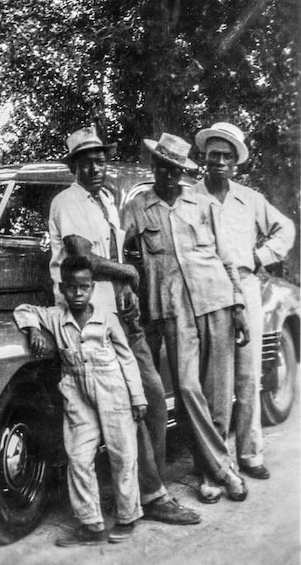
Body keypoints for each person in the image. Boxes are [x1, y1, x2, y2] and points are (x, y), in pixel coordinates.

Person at [49, 125, 200, 524]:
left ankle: (152, 490)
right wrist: (130, 274)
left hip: (118, 315)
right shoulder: (68, 202)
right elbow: (81, 258)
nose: (96, 168)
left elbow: (112, 249)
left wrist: (126, 290)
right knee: (129, 406)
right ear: (75, 167)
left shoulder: (106, 201)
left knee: (150, 392)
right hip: (89, 321)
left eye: (100, 160)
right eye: (87, 162)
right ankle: (151, 496)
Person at [122, 132, 250, 505]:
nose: (166, 174)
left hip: (216, 300)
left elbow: (226, 257)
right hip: (173, 309)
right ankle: (225, 469)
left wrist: (238, 304)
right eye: (161, 166)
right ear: (153, 166)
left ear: (182, 171)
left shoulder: (201, 202)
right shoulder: (138, 206)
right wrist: (126, 283)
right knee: (190, 390)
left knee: (218, 393)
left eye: (174, 168)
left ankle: (208, 474)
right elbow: (115, 245)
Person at [14, 255, 146, 546]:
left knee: (123, 454)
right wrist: (34, 329)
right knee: (78, 458)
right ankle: (92, 526)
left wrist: (137, 397)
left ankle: (127, 516)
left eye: (83, 287)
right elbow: (24, 310)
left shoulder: (107, 318)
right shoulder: (56, 316)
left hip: (113, 389)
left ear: (93, 287)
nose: (77, 294)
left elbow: (126, 358)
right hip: (77, 392)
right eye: (71, 288)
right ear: (62, 288)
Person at [193, 121, 295, 481]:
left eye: (225, 156)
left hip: (247, 286)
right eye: (212, 155)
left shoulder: (249, 199)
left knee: (248, 375)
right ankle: (217, 462)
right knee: (215, 382)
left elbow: (286, 229)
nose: (218, 161)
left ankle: (250, 454)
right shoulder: (192, 197)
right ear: (203, 159)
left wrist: (260, 256)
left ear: (235, 163)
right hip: (209, 291)